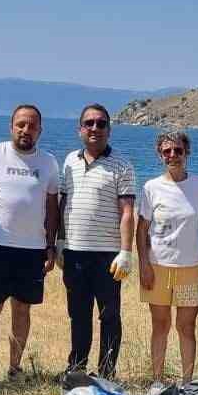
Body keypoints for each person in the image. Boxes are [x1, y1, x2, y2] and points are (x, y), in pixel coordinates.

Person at [0, 104, 59, 382]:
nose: (25, 130)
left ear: (39, 130)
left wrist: (50, 246)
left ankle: (14, 369)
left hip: (32, 250)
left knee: (22, 309)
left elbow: (52, 207)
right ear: (11, 126)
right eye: (20, 124)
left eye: (31, 126)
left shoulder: (49, 162)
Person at [58, 103, 137, 379]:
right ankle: (77, 368)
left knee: (109, 316)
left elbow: (127, 211)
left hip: (108, 256)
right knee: (78, 315)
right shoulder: (69, 162)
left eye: (101, 123)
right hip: (75, 253)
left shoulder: (122, 165)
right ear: (80, 129)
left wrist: (126, 251)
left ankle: (106, 372)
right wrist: (59, 241)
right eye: (89, 123)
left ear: (109, 130)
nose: (95, 128)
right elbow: (64, 202)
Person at [138, 131, 198, 384]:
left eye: (178, 151)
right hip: (157, 266)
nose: (172, 155)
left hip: (191, 267)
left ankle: (187, 383)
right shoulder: (151, 188)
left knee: (186, 326)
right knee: (160, 325)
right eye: (167, 151)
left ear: (186, 153)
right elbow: (142, 229)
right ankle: (157, 381)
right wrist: (143, 264)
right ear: (160, 155)